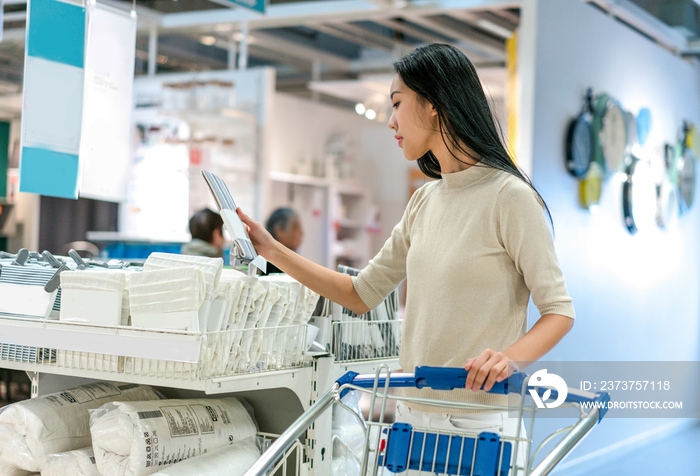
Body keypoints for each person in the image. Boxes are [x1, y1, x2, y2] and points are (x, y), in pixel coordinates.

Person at [237, 44, 574, 467]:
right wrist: (272, 249)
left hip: (479, 423)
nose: (390, 121)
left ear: (433, 105)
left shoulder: (510, 198)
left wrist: (508, 358)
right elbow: (360, 293)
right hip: (411, 418)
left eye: (397, 103)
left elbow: (559, 311)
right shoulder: (424, 200)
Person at [263, 207, 303, 274]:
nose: (301, 233)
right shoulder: (266, 263)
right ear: (279, 231)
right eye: (295, 227)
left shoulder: (296, 260)